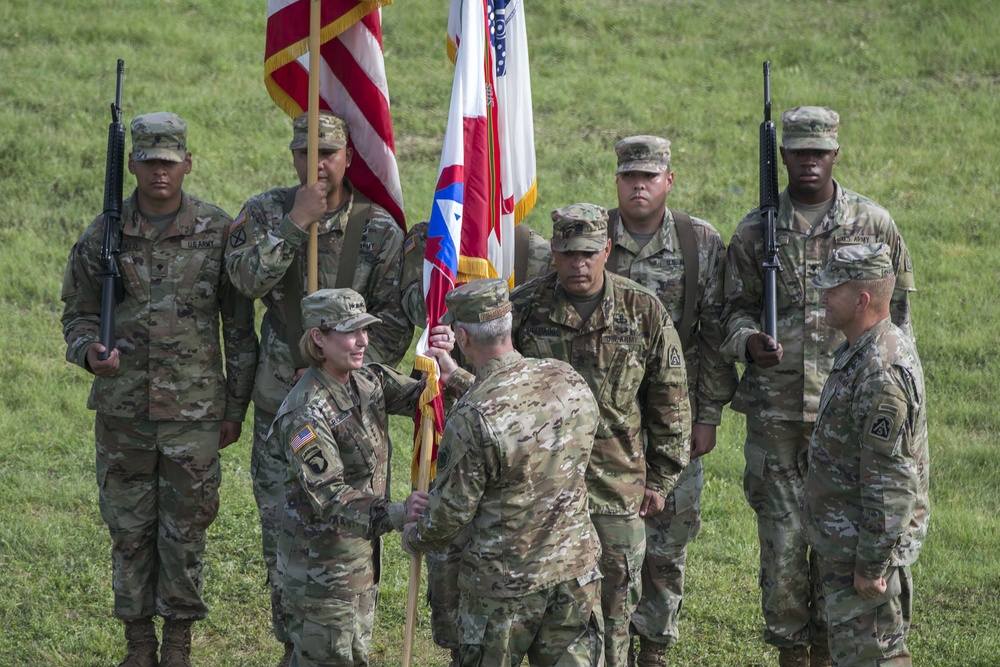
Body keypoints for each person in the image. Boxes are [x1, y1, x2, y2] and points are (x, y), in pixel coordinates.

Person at [720, 107, 916, 667]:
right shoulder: (756, 229)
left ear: (835, 153)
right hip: (777, 420)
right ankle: (793, 655)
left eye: (819, 151)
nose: (809, 161)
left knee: (845, 553)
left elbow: (897, 320)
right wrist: (748, 341)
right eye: (798, 151)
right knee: (782, 558)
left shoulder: (873, 224)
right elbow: (730, 312)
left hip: (850, 421)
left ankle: (838, 653)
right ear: (782, 156)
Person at [60, 112, 258, 667]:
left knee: (186, 531)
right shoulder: (103, 235)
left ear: (187, 164)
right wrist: (87, 353)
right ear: (133, 164)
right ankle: (138, 646)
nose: (159, 173)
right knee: (128, 531)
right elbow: (75, 314)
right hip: (123, 412)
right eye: (148, 161)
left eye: (169, 162)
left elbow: (239, 331)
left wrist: (234, 409)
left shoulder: (218, 231)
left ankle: (177, 646)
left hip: (195, 415)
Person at [224, 111, 412, 664]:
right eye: (306, 154)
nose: (318, 165)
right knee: (282, 531)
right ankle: (298, 645)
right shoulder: (266, 212)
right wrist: (294, 225)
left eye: (328, 154)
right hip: (279, 401)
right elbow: (240, 281)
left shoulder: (375, 229)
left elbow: (395, 320)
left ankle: (342, 641)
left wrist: (345, 367)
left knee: (351, 529)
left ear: (348, 157)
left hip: (350, 410)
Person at [510, 204, 692, 667]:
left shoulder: (642, 310)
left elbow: (670, 400)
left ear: (607, 250)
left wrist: (661, 479)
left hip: (615, 491)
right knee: (541, 617)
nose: (579, 264)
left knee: (614, 615)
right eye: (569, 254)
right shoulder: (524, 309)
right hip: (540, 493)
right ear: (553, 251)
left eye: (589, 253)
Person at [400, 278, 604, 666]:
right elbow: (521, 417)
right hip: (574, 574)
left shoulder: (471, 417)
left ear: (462, 336)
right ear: (507, 324)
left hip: (502, 589)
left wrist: (416, 537)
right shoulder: (568, 379)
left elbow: (451, 514)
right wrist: (455, 378)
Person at [607, 136, 738, 665]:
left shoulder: (698, 241)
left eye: (650, 176)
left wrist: (706, 417)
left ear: (669, 180)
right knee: (605, 541)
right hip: (605, 420)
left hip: (672, 414)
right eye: (629, 176)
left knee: (667, 543)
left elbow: (714, 334)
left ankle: (654, 649)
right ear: (617, 180)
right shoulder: (593, 236)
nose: (639, 185)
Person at [267, 288, 449, 667]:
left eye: (365, 330)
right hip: (321, 573)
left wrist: (445, 365)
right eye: (351, 332)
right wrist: (398, 513)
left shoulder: (366, 381)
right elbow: (331, 496)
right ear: (319, 337)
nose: (363, 341)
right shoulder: (305, 413)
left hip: (356, 565)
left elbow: (430, 400)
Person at [399, 219, 552, 665]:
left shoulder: (528, 246)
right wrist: (449, 362)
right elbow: (414, 302)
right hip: (470, 429)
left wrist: (416, 535)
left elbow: (448, 514)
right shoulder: (434, 232)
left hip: (514, 532)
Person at [805, 244, 928, 667]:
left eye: (831, 289)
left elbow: (892, 485)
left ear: (861, 300)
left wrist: (871, 567)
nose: (822, 295)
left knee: (874, 657)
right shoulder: (866, 348)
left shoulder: (880, 372)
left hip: (862, 554)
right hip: (847, 543)